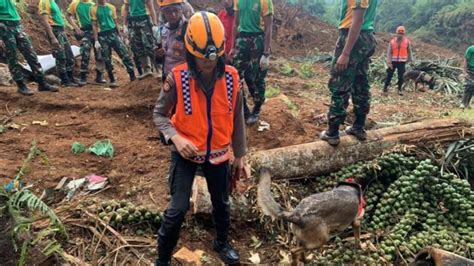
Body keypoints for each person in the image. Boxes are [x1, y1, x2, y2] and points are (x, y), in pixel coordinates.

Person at [153, 11, 247, 265]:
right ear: (191, 52)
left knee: (222, 203)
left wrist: (240, 155)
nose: (209, 65)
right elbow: (159, 115)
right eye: (203, 60)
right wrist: (175, 138)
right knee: (177, 208)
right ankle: (162, 258)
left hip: (218, 154)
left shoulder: (231, 78)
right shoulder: (177, 78)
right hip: (187, 153)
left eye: (214, 59)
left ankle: (222, 242)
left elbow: (237, 118)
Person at [320, 0, 378, 146]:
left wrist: (345, 53)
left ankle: (332, 132)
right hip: (366, 36)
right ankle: (359, 126)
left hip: (353, 37)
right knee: (360, 84)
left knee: (340, 84)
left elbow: (357, 20)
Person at [0, 0, 58, 95]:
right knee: (12, 57)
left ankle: (42, 83)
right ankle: (21, 85)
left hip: (17, 25)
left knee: (31, 54)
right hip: (3, 27)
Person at [231, 0, 273, 125]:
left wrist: (266, 53)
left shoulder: (265, 1)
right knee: (235, 76)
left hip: (257, 39)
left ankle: (257, 107)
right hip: (242, 39)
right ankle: (243, 110)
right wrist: (233, 46)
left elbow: (268, 27)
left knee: (257, 77)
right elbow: (235, 23)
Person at [91, 0, 136, 87]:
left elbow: (115, 22)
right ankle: (112, 79)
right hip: (102, 35)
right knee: (107, 58)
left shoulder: (111, 7)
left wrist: (120, 35)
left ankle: (132, 76)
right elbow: (94, 25)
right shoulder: (94, 9)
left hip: (113, 33)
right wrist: (96, 40)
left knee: (124, 54)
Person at [39, 0, 80, 87]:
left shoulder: (53, 1)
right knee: (60, 56)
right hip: (54, 30)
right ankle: (65, 80)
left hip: (61, 30)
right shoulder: (44, 2)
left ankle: (70, 78)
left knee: (69, 55)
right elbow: (45, 21)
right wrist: (52, 37)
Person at [67, 0, 106, 85]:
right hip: (84, 31)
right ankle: (83, 76)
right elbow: (68, 15)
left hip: (96, 31)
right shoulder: (75, 3)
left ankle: (99, 75)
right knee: (85, 52)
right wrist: (76, 28)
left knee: (99, 53)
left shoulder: (92, 4)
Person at [123, 0, 158, 79]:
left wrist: (155, 24)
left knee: (150, 45)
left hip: (144, 19)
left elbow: (151, 8)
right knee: (138, 46)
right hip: (133, 21)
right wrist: (124, 24)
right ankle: (146, 69)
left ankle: (157, 70)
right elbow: (126, 9)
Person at [156, 0, 188, 81]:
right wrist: (159, 55)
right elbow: (160, 60)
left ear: (181, 10)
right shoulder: (163, 30)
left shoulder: (188, 29)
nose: (173, 15)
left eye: (175, 10)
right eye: (168, 12)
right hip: (167, 76)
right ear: (164, 14)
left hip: (183, 78)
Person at [383, 26, 413, 96]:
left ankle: (399, 89)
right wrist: (389, 62)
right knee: (389, 75)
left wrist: (409, 60)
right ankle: (385, 88)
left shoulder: (407, 42)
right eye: (399, 33)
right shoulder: (392, 42)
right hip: (393, 61)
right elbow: (389, 52)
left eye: (401, 34)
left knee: (401, 76)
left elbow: (409, 51)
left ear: (404, 34)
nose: (400, 35)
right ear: (396, 33)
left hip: (402, 62)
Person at [121, 4, 143, 77]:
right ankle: (140, 71)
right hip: (131, 31)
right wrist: (126, 37)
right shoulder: (124, 7)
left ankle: (150, 68)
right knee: (135, 51)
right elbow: (124, 19)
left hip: (141, 28)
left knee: (146, 48)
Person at [461, 44, 474, 109]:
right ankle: (463, 103)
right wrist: (464, 72)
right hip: (470, 70)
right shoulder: (471, 49)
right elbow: (465, 60)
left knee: (472, 88)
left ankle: (467, 103)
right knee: (468, 86)